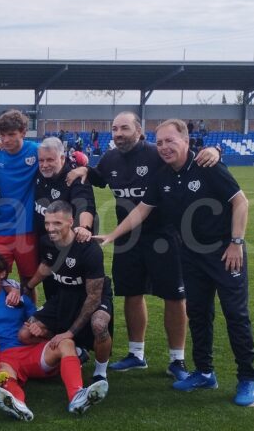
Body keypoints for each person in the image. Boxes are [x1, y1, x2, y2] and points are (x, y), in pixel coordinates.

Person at [97, 119, 254, 407]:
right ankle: (205, 372)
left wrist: (236, 243)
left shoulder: (208, 166)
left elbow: (241, 202)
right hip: (190, 256)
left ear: (186, 141)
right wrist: (112, 235)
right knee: (198, 314)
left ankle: (248, 379)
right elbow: (141, 211)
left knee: (235, 316)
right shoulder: (163, 176)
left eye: (170, 141)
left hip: (224, 253)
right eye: (159, 143)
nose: (164, 147)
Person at [66, 111, 219, 379]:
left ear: (139, 131)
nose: (118, 134)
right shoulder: (111, 157)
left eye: (124, 128)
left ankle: (177, 360)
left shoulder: (156, 153)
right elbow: (99, 177)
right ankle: (137, 354)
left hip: (166, 236)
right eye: (114, 129)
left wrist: (214, 151)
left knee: (174, 295)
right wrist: (84, 169)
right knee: (131, 293)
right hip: (128, 238)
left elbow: (186, 157)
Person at [23, 201, 114, 383]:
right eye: (47, 223)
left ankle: (100, 372)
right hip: (64, 295)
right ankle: (76, 351)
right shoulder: (46, 242)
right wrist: (28, 287)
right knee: (27, 333)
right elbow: (46, 266)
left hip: (91, 297)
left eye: (57, 223)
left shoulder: (90, 250)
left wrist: (70, 332)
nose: (51, 228)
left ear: (71, 221)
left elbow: (94, 296)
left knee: (99, 325)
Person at [0, 109, 40, 289]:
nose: (6, 140)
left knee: (29, 282)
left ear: (24, 132)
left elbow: (60, 161)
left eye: (11, 134)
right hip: (1, 228)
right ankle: (2, 317)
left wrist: (82, 169)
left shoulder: (36, 151)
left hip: (27, 229)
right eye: (2, 135)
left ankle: (30, 316)